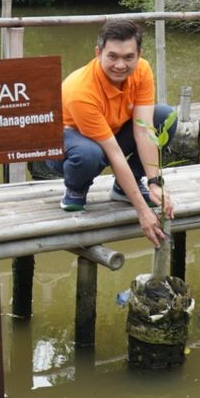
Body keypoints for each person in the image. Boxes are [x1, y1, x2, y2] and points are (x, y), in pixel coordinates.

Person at [47, 19, 177, 245]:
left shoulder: (143, 70)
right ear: (98, 52)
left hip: (108, 134)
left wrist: (155, 182)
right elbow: (114, 153)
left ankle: (126, 187)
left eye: (129, 57)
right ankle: (76, 188)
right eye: (112, 56)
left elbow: (144, 131)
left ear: (139, 54)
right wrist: (142, 210)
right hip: (66, 146)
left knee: (164, 117)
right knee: (89, 154)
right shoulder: (81, 90)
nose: (120, 65)